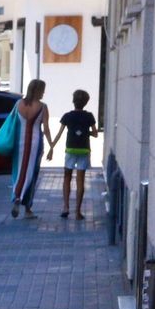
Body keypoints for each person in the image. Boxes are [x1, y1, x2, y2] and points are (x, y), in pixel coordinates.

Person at [9, 79, 55, 220]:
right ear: (37, 91)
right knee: (32, 174)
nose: (43, 93)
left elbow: (13, 123)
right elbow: (46, 128)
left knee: (19, 171)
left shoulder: (19, 104)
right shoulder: (42, 107)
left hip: (19, 142)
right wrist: (51, 145)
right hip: (35, 143)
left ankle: (17, 195)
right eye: (42, 90)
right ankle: (27, 207)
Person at [52, 89, 99, 219]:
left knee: (67, 177)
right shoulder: (89, 116)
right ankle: (78, 211)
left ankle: (66, 206)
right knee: (80, 180)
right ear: (86, 102)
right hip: (84, 150)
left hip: (70, 149)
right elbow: (95, 134)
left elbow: (59, 133)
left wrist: (51, 147)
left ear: (73, 101)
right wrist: (86, 132)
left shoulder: (67, 116)